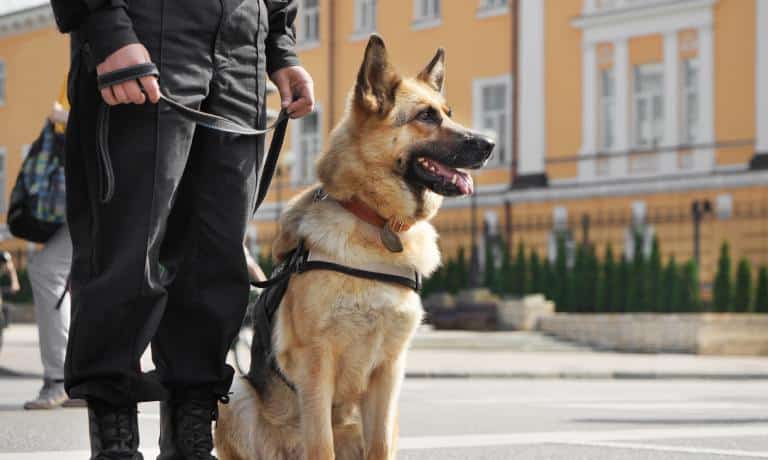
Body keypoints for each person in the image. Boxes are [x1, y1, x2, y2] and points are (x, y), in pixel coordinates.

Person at [49, 1, 314, 458]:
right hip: (147, 27)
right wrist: (106, 26)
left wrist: (279, 46)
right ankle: (116, 444)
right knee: (126, 252)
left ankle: (189, 439)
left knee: (213, 258)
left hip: (242, 46)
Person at [23, 94, 84, 410]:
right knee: (94, 277)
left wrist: (64, 118)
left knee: (47, 269)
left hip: (102, 188)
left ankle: (63, 379)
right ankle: (87, 379)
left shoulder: (104, 46)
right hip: (92, 188)